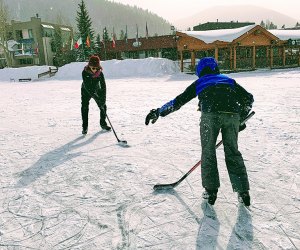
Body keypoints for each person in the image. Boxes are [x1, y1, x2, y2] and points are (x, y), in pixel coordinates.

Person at [145, 57, 254, 206]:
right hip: (232, 115)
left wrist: (159, 111)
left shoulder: (200, 82)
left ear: (200, 71)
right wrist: (240, 118)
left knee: (208, 152)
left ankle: (210, 191)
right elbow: (249, 98)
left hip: (210, 115)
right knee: (233, 152)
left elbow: (178, 101)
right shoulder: (228, 80)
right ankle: (243, 192)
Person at [81, 55, 111, 134]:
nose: (94, 70)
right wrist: (97, 98)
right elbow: (88, 87)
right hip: (86, 90)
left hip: (97, 89)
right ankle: (85, 127)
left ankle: (103, 123)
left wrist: (103, 99)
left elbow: (103, 86)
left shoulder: (100, 73)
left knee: (103, 106)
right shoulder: (85, 72)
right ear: (89, 66)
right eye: (92, 68)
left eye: (96, 68)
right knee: (84, 107)